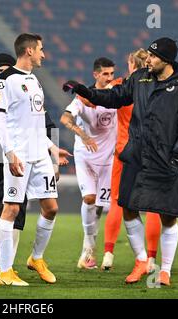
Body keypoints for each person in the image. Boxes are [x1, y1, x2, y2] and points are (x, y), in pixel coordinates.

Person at [63, 37, 178, 286]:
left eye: (153, 56)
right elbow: (114, 97)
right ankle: (141, 261)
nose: (147, 60)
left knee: (167, 215)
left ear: (167, 59)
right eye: (148, 55)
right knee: (128, 208)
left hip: (169, 160)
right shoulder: (140, 79)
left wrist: (177, 154)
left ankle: (165, 271)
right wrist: (85, 92)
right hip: (138, 156)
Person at [0, 53, 61, 281]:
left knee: (17, 214)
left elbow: (45, 125)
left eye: (7, 70)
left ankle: (18, 263)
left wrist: (53, 154)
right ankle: (0, 266)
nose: (4, 75)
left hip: (22, 161)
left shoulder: (26, 86)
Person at [0, 33, 70, 286]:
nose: (43, 54)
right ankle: (5, 271)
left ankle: (36, 258)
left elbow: (36, 122)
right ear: (28, 51)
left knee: (51, 207)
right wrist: (9, 152)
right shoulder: (5, 80)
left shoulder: (34, 80)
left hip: (40, 155)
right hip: (20, 156)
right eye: (41, 49)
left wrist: (51, 147)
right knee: (11, 209)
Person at [100, 49, 161, 272]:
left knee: (118, 202)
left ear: (130, 64)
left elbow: (99, 95)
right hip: (151, 152)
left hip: (123, 151)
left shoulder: (122, 84)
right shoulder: (158, 85)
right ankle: (152, 258)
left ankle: (108, 254)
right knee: (152, 205)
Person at [60, 57, 117, 270]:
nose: (109, 78)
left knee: (101, 206)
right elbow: (65, 119)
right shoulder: (83, 98)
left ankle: (90, 251)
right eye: (105, 74)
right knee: (89, 198)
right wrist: (83, 134)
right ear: (96, 75)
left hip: (108, 158)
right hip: (85, 155)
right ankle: (87, 247)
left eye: (111, 73)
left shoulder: (116, 95)